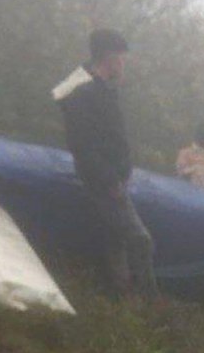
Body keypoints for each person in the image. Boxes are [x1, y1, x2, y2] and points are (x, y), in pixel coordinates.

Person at [53, 28, 157, 298]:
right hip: (104, 180)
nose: (123, 64)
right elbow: (83, 145)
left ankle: (121, 298)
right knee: (139, 239)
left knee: (115, 240)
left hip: (112, 177)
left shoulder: (102, 89)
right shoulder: (85, 94)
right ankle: (148, 300)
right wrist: (110, 179)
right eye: (121, 58)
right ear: (108, 58)